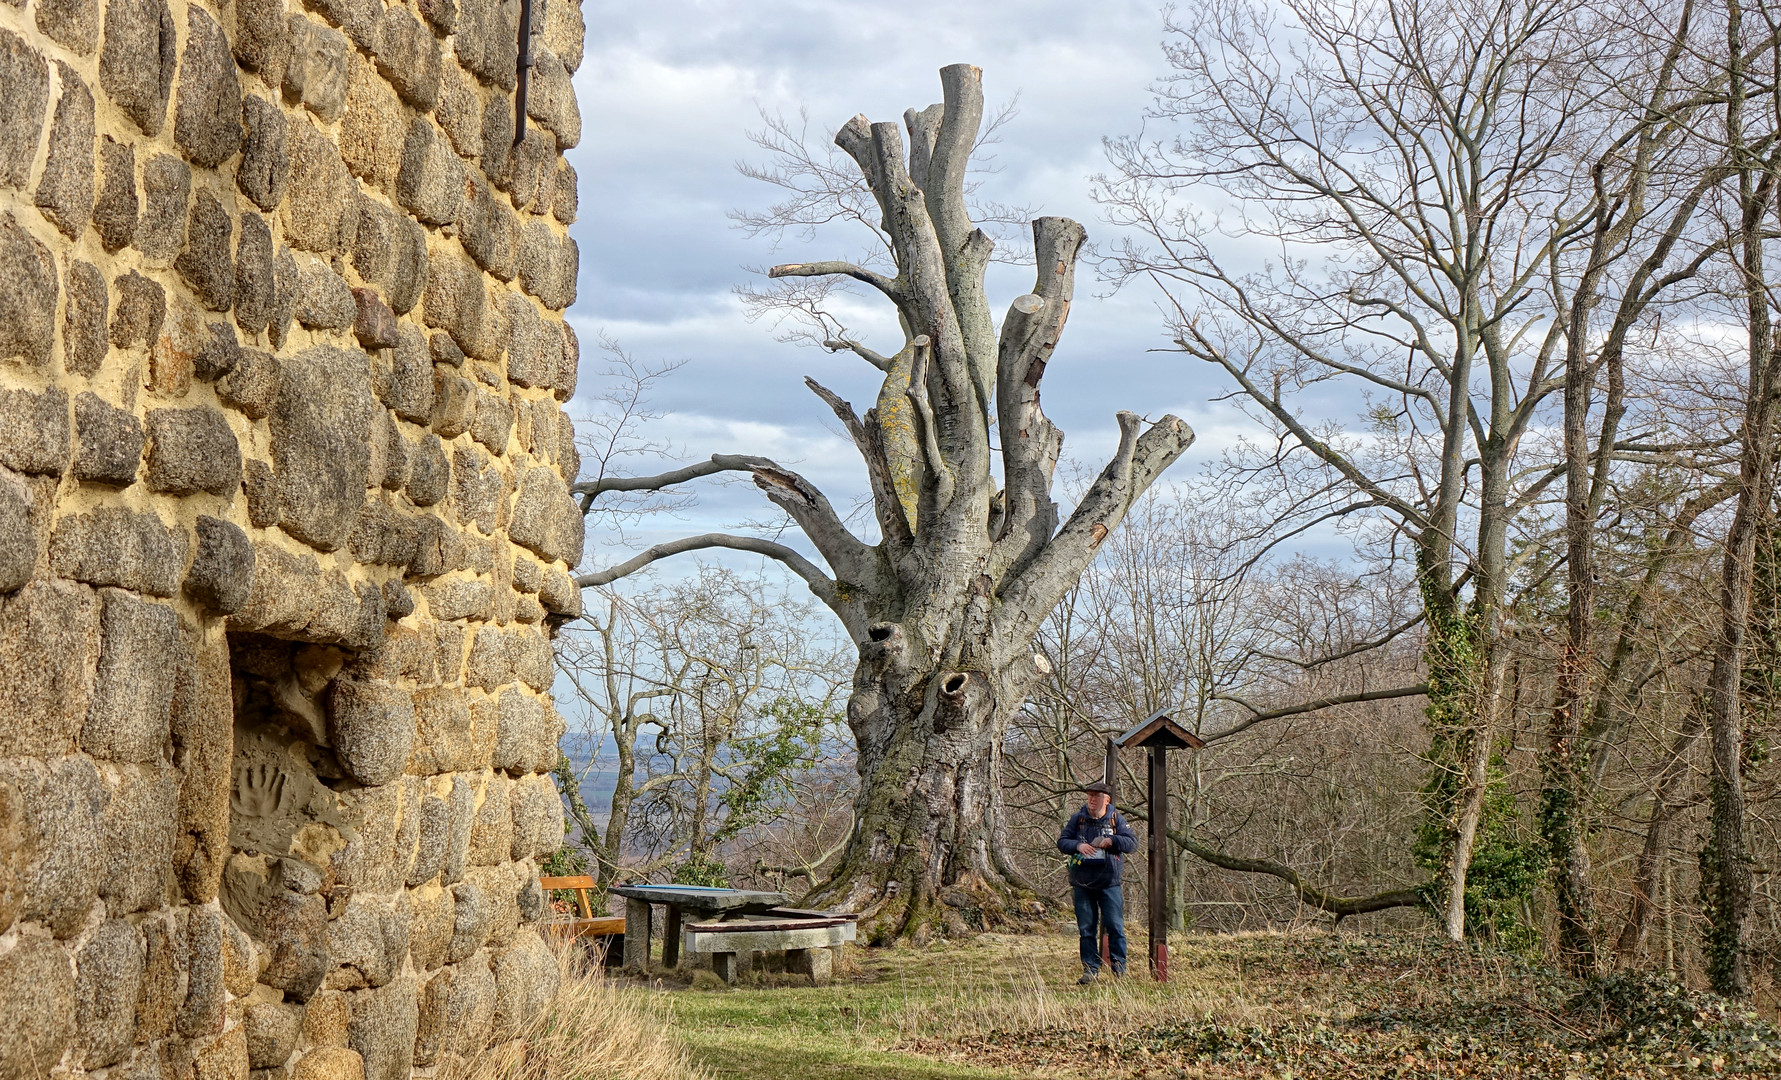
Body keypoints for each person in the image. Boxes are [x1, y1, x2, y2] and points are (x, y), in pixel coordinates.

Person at [1056, 780, 1137, 983]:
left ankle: (1119, 969)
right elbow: (1062, 842)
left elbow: (1132, 843)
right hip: (1082, 883)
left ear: (1106, 800)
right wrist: (1078, 846)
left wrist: (1112, 841)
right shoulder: (1078, 819)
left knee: (1115, 926)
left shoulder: (1116, 819)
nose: (1092, 799)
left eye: (1096, 796)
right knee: (1086, 929)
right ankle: (1090, 970)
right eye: (1089, 795)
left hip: (1109, 883)